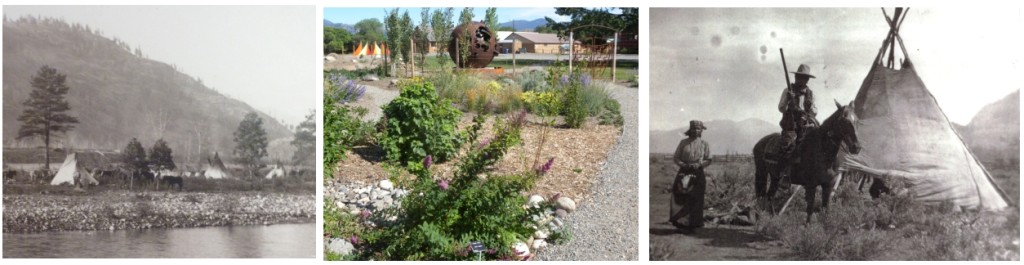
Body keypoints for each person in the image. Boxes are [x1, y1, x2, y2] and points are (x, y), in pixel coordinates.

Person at [777, 64, 819, 183]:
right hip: (790, 126)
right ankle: (784, 176)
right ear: (795, 77)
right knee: (787, 146)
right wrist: (788, 100)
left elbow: (815, 111)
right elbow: (781, 108)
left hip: (805, 126)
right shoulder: (788, 91)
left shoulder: (811, 94)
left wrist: (810, 111)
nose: (800, 79)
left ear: (807, 80)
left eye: (803, 77)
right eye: (798, 77)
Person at [670, 120, 712, 234]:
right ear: (690, 130)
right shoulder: (683, 142)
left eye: (698, 129)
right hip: (684, 172)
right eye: (693, 129)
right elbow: (676, 157)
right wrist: (684, 165)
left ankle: (695, 224)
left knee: (696, 197)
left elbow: (709, 159)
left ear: (701, 131)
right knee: (680, 194)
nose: (695, 131)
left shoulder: (704, 143)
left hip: (698, 173)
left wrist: (699, 164)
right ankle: (680, 222)